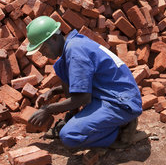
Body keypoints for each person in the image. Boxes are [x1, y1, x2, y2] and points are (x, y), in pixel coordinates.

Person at [26, 16, 143, 150]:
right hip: (108, 94)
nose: (43, 54)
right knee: (61, 68)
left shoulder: (75, 51)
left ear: (54, 38)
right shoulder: (72, 45)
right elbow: (80, 82)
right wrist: (53, 91)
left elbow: (83, 97)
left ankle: (121, 130)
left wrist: (48, 110)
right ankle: (77, 118)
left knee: (69, 136)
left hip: (121, 102)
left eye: (44, 48)